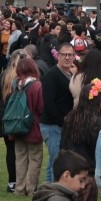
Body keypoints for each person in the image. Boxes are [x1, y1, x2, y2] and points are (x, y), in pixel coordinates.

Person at [60, 82, 101, 201]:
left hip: (69, 169)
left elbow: (63, 144)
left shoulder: (70, 118)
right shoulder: (98, 123)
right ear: (97, 99)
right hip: (88, 173)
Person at [40, 43, 77, 182]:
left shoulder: (72, 74)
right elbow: (49, 102)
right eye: (64, 55)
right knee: (55, 160)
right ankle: (51, 190)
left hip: (63, 124)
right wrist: (61, 121)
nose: (67, 58)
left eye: (70, 55)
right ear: (58, 56)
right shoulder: (52, 75)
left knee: (61, 159)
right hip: (52, 125)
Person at [0, 49, 27, 193]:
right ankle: (20, 180)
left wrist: (3, 105)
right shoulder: (25, 78)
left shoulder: (4, 75)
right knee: (21, 151)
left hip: (6, 117)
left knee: (10, 150)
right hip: (19, 117)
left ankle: (12, 181)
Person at [12, 57, 45, 196]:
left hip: (17, 125)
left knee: (20, 158)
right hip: (33, 126)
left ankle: (19, 188)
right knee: (35, 158)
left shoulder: (15, 84)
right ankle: (31, 189)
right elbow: (41, 107)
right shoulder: (37, 86)